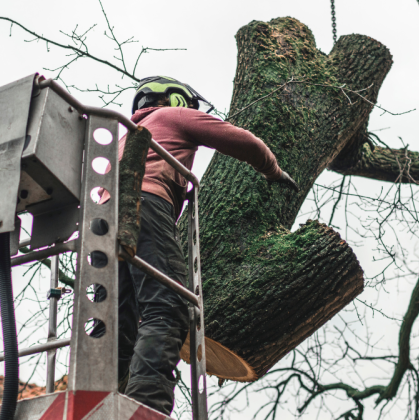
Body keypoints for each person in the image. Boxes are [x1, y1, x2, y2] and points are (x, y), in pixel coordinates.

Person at [93, 76, 299, 415]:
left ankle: (100, 399)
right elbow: (240, 140)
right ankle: (146, 408)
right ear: (175, 100)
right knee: (167, 307)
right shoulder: (171, 116)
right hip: (143, 205)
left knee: (117, 317)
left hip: (100, 220)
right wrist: (272, 169)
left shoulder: (125, 135)